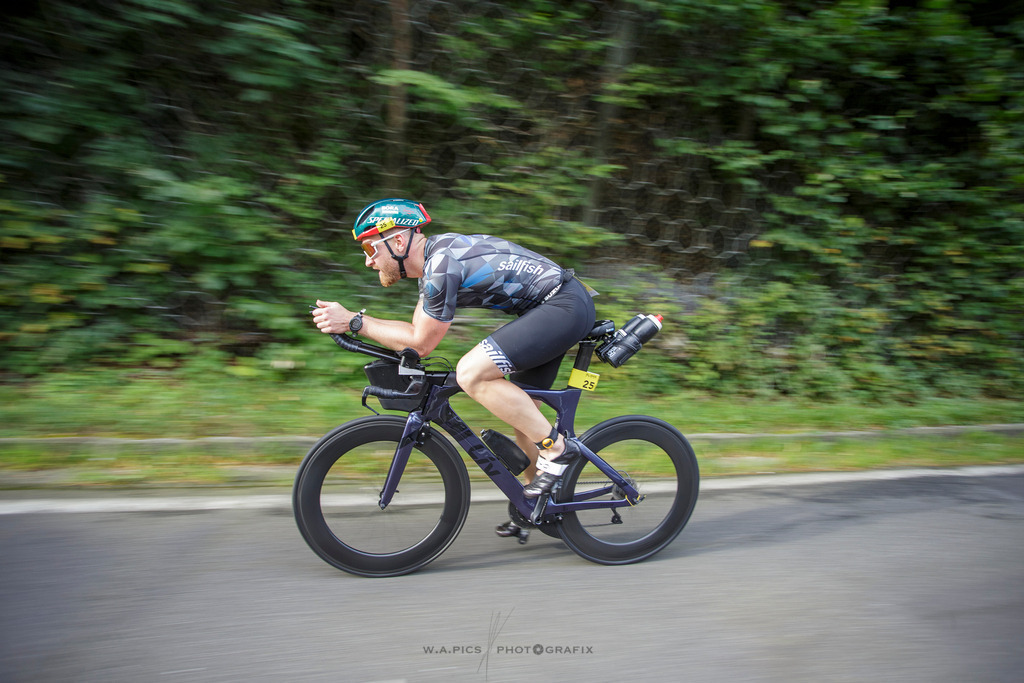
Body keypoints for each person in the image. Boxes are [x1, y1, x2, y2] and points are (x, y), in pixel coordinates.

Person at [311, 198, 597, 536]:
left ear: (398, 241)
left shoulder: (442, 265)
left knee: (471, 372)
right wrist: (358, 321)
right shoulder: (437, 261)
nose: (369, 261)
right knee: (524, 415)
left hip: (563, 305)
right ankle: (541, 507)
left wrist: (355, 323)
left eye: (372, 249)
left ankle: (559, 451)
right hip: (555, 307)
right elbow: (414, 335)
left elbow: (421, 345)